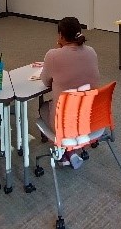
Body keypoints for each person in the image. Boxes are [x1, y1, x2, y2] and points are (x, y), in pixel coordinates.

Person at [39, 16, 100, 169]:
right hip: (88, 116)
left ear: (60, 36)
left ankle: (65, 150)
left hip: (65, 122)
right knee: (67, 105)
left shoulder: (52, 55)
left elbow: (46, 82)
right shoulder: (91, 52)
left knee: (44, 108)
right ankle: (69, 152)